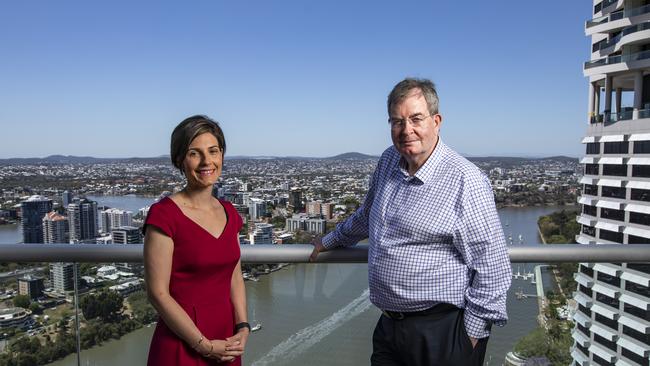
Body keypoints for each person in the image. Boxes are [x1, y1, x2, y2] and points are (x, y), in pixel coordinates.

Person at [311, 78, 512, 365]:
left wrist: (469, 338)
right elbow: (368, 215)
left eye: (416, 118)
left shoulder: (466, 181)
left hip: (443, 332)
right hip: (389, 327)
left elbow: (493, 268)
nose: (406, 130)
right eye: (397, 121)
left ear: (436, 121)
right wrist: (330, 240)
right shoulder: (389, 160)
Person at [144, 115, 249, 365]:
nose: (207, 161)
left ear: (222, 155)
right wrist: (204, 346)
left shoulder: (229, 212)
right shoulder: (164, 215)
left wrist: (243, 325)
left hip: (227, 342)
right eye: (195, 153)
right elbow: (157, 293)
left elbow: (234, 275)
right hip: (183, 343)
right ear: (180, 160)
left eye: (213, 151)